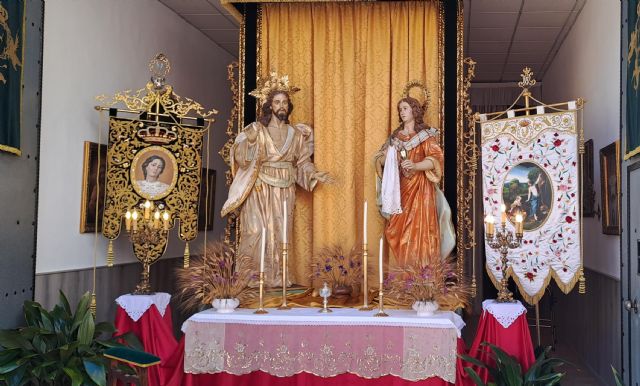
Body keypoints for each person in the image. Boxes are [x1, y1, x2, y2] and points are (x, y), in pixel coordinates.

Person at [221, 83, 331, 287]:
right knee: (256, 231)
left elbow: (302, 162)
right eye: (277, 102)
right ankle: (252, 280)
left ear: (289, 106)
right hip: (259, 188)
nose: (281, 106)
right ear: (269, 106)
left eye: (285, 102)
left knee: (281, 233)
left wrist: (315, 174)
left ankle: (278, 280)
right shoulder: (257, 130)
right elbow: (240, 157)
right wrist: (250, 142)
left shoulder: (295, 134)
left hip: (284, 189)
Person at [374, 96, 455, 267]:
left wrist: (416, 165)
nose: (402, 112)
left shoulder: (425, 136)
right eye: (400, 109)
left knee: (422, 229)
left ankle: (424, 277)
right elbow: (380, 160)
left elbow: (435, 160)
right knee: (398, 230)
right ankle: (407, 276)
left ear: (414, 110)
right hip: (400, 189)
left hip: (421, 189)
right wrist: (390, 158)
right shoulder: (395, 137)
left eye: (405, 108)